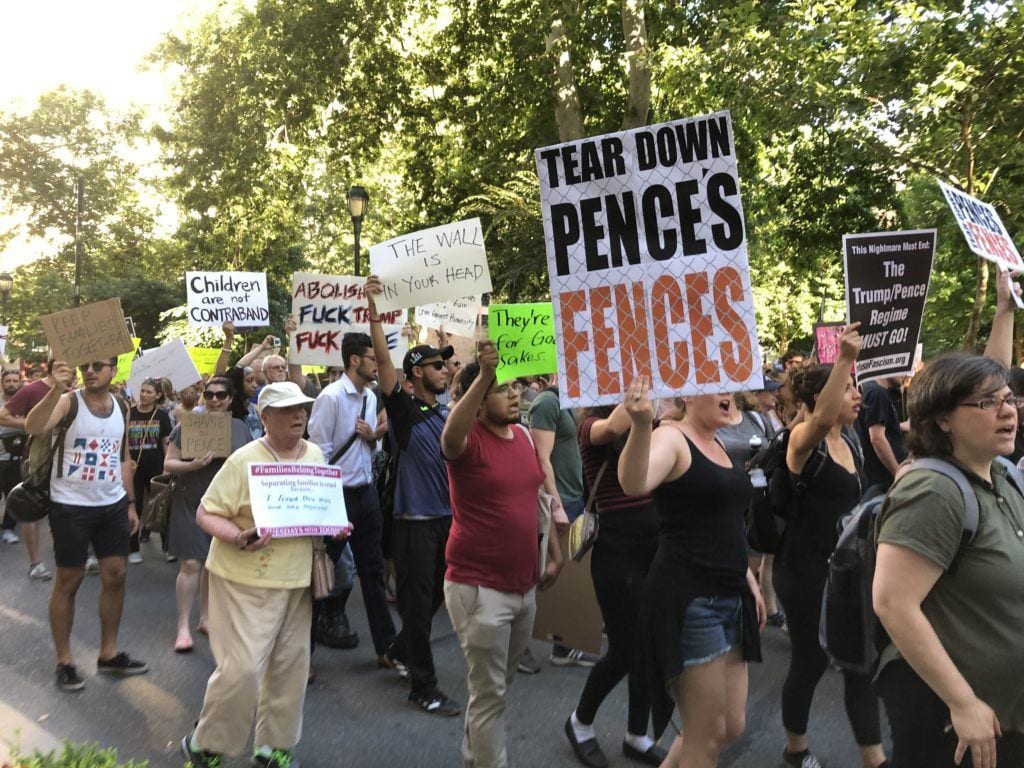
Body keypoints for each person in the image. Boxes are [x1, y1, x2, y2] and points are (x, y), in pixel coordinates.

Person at [873, 270, 1024, 768]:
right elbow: (893, 601)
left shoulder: (999, 473)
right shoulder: (934, 488)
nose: (1007, 410)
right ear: (942, 419)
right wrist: (962, 702)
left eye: (1009, 399)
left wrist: (1005, 309)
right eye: (988, 403)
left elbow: (988, 374)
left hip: (1005, 712)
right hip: (953, 722)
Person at [181, 381, 335, 768]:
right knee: (243, 669)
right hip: (244, 579)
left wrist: (334, 523)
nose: (298, 415)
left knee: (290, 667)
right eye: (287, 410)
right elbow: (205, 513)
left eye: (301, 408)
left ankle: (274, 747)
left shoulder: (314, 454)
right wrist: (237, 536)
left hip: (297, 579)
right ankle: (205, 743)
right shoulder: (244, 459)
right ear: (264, 418)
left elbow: (319, 507)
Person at [619, 378, 765, 768]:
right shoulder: (671, 437)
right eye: (716, 386)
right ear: (686, 394)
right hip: (690, 600)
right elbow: (635, 482)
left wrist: (748, 577)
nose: (727, 395)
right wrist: (638, 426)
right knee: (704, 734)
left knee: (730, 725)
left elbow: (726, 519)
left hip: (731, 593)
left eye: (729, 388)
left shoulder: (717, 443)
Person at [441, 343, 563, 768]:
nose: (513, 395)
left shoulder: (525, 436)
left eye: (514, 387)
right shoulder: (467, 441)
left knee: (496, 686)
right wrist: (481, 377)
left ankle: (475, 753)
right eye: (500, 389)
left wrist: (553, 551)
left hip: (524, 585)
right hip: (478, 586)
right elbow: (449, 438)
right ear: (477, 401)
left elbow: (537, 500)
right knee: (490, 692)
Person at [772, 326, 888, 768]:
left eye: (858, 386)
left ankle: (873, 757)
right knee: (811, 660)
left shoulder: (853, 441)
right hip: (802, 571)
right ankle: (795, 750)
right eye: (848, 388)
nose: (857, 395)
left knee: (860, 659)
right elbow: (819, 422)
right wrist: (843, 359)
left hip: (845, 570)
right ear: (821, 399)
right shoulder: (801, 443)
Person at [364, 274, 462, 716]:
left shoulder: (448, 410)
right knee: (420, 608)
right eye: (438, 366)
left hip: (448, 521)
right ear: (417, 373)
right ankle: (423, 686)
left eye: (447, 366)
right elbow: (385, 362)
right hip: (414, 523)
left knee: (439, 597)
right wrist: (373, 307)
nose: (445, 370)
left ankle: (401, 649)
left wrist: (442, 343)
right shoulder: (404, 410)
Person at [25, 358, 147, 692]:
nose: (89, 370)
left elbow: (122, 457)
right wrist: (55, 388)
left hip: (112, 505)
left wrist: (130, 502)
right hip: (69, 506)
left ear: (113, 370)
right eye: (85, 365)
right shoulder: (68, 400)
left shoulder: (122, 405)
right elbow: (33, 427)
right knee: (69, 579)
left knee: (116, 575)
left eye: (98, 365)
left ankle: (108, 653)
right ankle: (64, 661)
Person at [564, 404, 665, 768]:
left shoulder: (651, 424)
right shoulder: (591, 426)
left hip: (656, 550)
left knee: (648, 648)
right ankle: (580, 721)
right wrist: (640, 381)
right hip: (616, 553)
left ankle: (637, 735)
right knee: (625, 649)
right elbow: (614, 425)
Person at [307, 332, 396, 665]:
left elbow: (367, 445)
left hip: (366, 494)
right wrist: (328, 503)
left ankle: (386, 648)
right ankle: (303, 653)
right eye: (373, 358)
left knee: (372, 573)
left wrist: (372, 437)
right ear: (355, 360)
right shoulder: (330, 398)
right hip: (336, 497)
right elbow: (318, 453)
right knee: (320, 573)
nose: (378, 364)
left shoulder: (371, 399)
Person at [164, 375, 252, 652]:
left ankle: (206, 617)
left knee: (213, 566)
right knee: (190, 564)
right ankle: (182, 627)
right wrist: (193, 465)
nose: (214, 399)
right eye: (210, 394)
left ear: (229, 400)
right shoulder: (186, 425)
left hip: (225, 506)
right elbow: (169, 463)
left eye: (221, 395)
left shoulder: (240, 428)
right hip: (190, 501)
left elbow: (251, 464)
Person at [715, 391, 784, 630]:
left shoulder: (755, 418)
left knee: (751, 564)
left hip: (756, 505)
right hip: (724, 508)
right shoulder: (707, 421)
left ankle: (747, 614)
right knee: (731, 568)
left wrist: (759, 462)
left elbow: (775, 448)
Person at [0, 361, 60, 578]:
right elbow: (3, 416)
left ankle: (74, 558)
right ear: (53, 368)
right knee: (30, 509)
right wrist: (32, 424)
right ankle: (35, 563)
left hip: (66, 462)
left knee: (64, 511)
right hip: (35, 461)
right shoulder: (32, 390)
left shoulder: (75, 393)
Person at [127, 377, 172, 562]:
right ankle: (133, 548)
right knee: (134, 506)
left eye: (149, 392)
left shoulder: (161, 416)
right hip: (133, 468)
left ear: (158, 395)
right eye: (142, 391)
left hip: (156, 467)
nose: (144, 395)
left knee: (161, 506)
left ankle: (167, 546)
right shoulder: (129, 413)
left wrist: (168, 465)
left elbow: (165, 442)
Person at [855, 376, 908, 489]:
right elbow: (877, 438)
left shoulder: (873, 390)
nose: (904, 375)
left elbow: (877, 425)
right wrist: (898, 475)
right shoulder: (877, 393)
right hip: (883, 479)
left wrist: (901, 426)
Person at [1, 369, 26, 545]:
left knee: (13, 495)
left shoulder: (25, 403)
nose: (11, 383)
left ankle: (8, 528)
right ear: (2, 382)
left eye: (14, 381)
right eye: (8, 380)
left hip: (16, 460)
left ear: (19, 382)